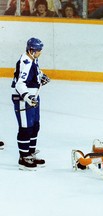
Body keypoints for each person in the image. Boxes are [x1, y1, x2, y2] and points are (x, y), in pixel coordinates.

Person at [11, 37, 50, 171]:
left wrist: (42, 76)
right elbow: (19, 84)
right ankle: (23, 157)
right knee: (26, 128)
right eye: (39, 50)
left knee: (35, 126)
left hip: (33, 97)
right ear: (32, 50)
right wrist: (27, 97)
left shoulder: (33, 59)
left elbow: (37, 72)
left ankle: (30, 153)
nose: (40, 52)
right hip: (23, 99)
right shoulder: (25, 62)